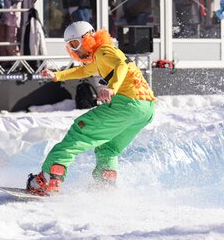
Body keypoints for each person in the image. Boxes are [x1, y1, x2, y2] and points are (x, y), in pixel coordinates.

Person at [28, 21, 156, 196]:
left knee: (79, 130)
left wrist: (112, 87)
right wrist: (57, 75)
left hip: (127, 104)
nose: (73, 50)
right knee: (108, 148)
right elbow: (84, 71)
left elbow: (122, 65)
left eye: (74, 44)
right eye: (70, 46)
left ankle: (47, 180)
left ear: (86, 39)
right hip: (145, 109)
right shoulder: (101, 56)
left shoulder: (104, 51)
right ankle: (104, 184)